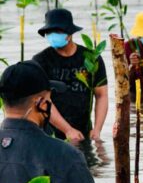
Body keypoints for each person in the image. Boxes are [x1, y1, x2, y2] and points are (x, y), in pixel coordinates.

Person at [33, 8, 108, 142]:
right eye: (49, 32)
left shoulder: (91, 58)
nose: (53, 35)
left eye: (57, 31)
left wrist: (97, 129)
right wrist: (67, 129)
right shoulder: (40, 61)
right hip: (50, 134)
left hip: (85, 131)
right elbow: (43, 101)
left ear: (69, 33)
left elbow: (101, 95)